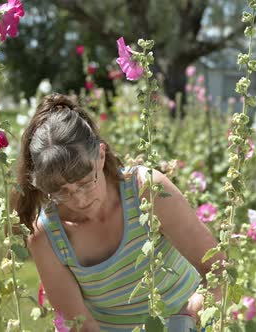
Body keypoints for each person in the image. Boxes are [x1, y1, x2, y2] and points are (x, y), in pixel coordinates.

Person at [13, 93, 222, 332]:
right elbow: (81, 327)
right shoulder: (48, 237)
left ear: (101, 155)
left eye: (85, 182)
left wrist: (192, 311)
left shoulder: (146, 191)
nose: (79, 200)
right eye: (61, 192)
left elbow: (218, 269)